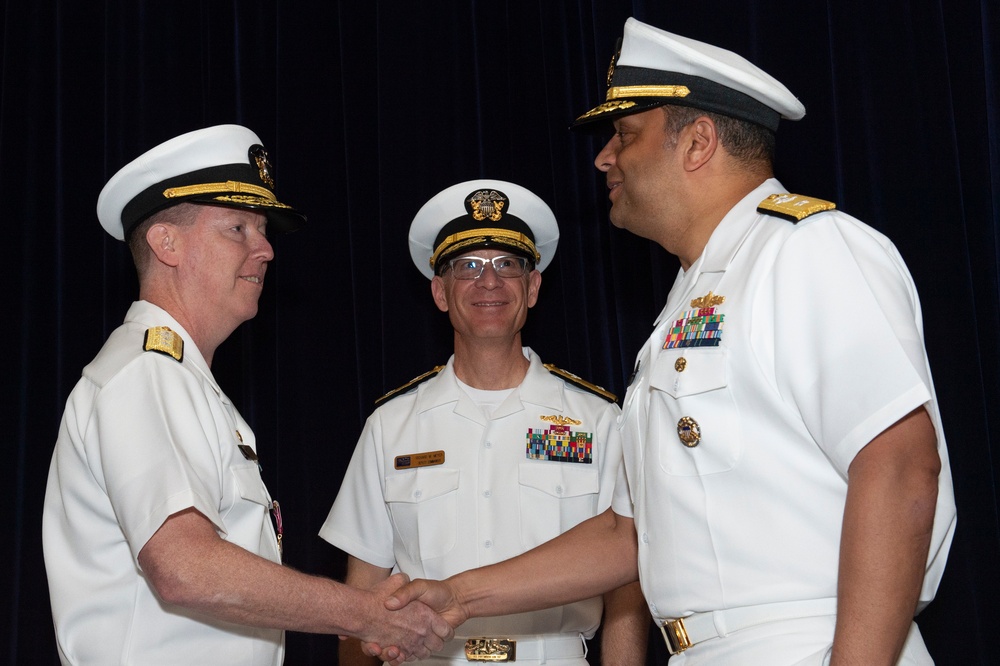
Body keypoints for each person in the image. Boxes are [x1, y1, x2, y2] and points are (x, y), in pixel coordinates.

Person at [377, 18, 958, 666]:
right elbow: (630, 535)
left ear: (698, 142)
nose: (604, 158)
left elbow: (901, 466)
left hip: (812, 642)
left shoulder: (805, 250)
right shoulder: (687, 305)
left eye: (624, 135)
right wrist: (458, 595)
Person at [42, 125, 452, 665]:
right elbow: (184, 567)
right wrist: (367, 614)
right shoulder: (147, 373)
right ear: (166, 243)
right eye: (237, 227)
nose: (265, 251)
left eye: (263, 231)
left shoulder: (186, 382)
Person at [320, 179, 649, 665]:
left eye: (507, 265)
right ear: (439, 292)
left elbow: (627, 579)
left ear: (532, 288)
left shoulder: (600, 421)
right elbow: (363, 594)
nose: (488, 282)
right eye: (468, 266)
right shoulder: (391, 426)